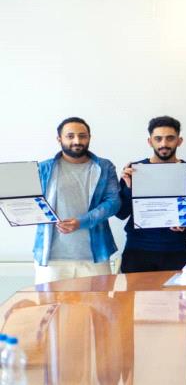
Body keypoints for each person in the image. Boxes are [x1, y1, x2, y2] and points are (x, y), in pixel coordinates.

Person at [34, 117, 121, 284]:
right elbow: (31, 204)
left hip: (96, 256)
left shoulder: (104, 166)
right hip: (51, 259)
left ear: (89, 137)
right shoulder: (43, 168)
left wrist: (82, 222)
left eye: (82, 136)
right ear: (59, 139)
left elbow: (113, 202)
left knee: (98, 302)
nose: (77, 141)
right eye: (70, 136)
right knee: (49, 302)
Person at [116, 116, 186, 272]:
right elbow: (121, 214)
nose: (164, 144)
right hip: (137, 251)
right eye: (158, 139)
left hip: (178, 251)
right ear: (150, 141)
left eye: (170, 138)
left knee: (179, 290)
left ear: (179, 141)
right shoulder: (134, 171)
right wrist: (129, 188)